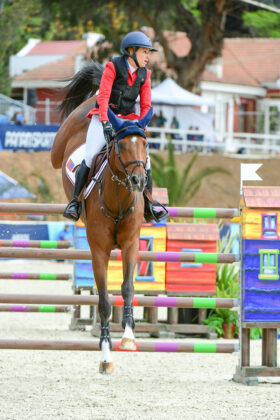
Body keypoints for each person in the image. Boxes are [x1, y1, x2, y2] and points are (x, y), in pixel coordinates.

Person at [63, 31, 167, 223]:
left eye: (148, 53)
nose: (147, 56)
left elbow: (146, 104)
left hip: (128, 121)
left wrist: (142, 125)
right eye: (144, 52)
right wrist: (104, 121)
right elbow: (102, 97)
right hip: (105, 116)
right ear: (131, 51)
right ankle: (75, 202)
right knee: (91, 154)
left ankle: (150, 203)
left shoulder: (145, 74)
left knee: (146, 160)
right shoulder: (113, 67)